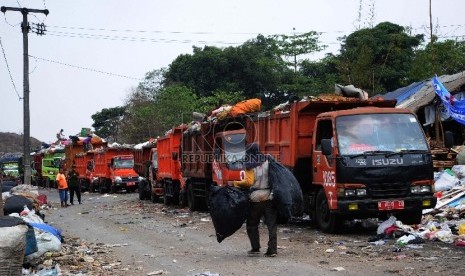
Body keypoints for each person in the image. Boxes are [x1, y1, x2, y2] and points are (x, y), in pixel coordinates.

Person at [232, 143, 278, 257]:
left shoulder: (250, 165)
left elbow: (247, 182)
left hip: (255, 197)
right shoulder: (268, 161)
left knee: (252, 224)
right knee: (271, 225)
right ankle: (272, 250)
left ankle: (255, 247)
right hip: (269, 196)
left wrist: (235, 183)